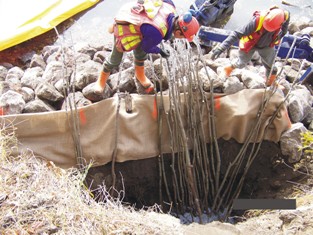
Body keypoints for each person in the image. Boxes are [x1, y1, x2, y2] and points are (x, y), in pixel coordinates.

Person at [95, 0, 200, 94]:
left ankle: (140, 75)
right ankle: (101, 81)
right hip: (126, 24)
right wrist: (160, 51)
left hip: (139, 19)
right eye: (183, 37)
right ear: (177, 32)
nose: (182, 39)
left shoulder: (170, 6)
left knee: (140, 54)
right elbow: (146, 47)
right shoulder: (157, 33)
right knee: (115, 59)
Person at [211, 6, 290, 86]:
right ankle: (228, 69)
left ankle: (270, 83)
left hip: (267, 45)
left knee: (271, 66)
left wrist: (280, 35)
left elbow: (284, 30)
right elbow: (237, 34)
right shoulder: (256, 21)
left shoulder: (285, 17)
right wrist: (221, 47)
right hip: (251, 43)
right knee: (241, 63)